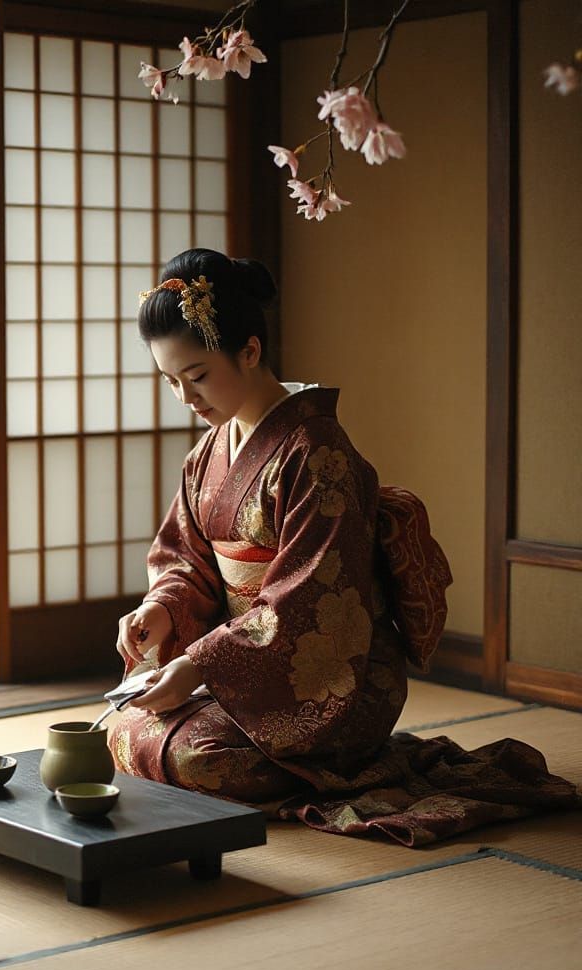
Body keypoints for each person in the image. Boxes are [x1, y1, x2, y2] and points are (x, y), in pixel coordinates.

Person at [110, 248, 579, 846]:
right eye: (170, 380)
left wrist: (200, 664)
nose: (184, 397)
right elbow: (187, 560)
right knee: (126, 727)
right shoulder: (208, 454)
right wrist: (162, 609)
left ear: (250, 351)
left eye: (197, 376)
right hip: (243, 668)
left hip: (330, 678)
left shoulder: (317, 454)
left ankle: (336, 758)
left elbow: (307, 600)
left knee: (198, 755)